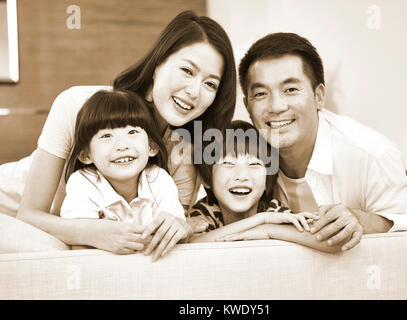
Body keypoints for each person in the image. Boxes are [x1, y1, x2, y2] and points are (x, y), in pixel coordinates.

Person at [0, 11, 236, 257]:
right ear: (158, 64)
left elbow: (170, 230)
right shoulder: (78, 105)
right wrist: (94, 232)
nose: (194, 91)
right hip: (12, 210)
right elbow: (28, 215)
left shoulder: (184, 150)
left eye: (210, 84)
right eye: (187, 71)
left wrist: (181, 227)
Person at [237, 32, 407, 251]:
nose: (276, 106)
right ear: (247, 105)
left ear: (319, 97)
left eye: (290, 90)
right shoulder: (241, 157)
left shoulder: (370, 153)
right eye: (260, 94)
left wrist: (360, 219)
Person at [60, 89, 188, 259]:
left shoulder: (158, 178)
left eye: (132, 132)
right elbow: (80, 246)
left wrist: (181, 227)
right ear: (86, 155)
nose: (122, 146)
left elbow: (178, 227)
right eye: (106, 135)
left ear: (151, 146)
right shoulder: (82, 183)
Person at [188, 120, 336, 253]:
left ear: (267, 181)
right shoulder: (205, 211)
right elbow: (191, 245)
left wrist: (269, 230)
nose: (242, 175)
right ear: (207, 179)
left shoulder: (274, 210)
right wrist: (261, 220)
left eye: (254, 164)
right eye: (228, 163)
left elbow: (326, 242)